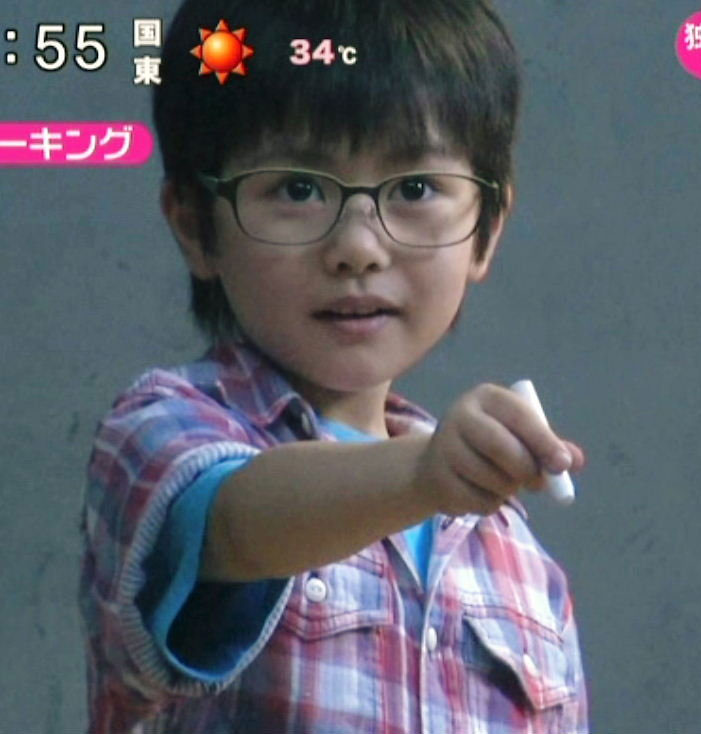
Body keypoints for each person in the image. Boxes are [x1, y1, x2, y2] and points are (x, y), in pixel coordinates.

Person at [78, 0, 589, 731]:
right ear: (195, 225)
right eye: (298, 188)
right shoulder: (161, 432)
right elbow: (235, 526)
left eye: (414, 189)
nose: (357, 247)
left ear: (484, 230)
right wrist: (422, 475)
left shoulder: (520, 561)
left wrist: (436, 474)